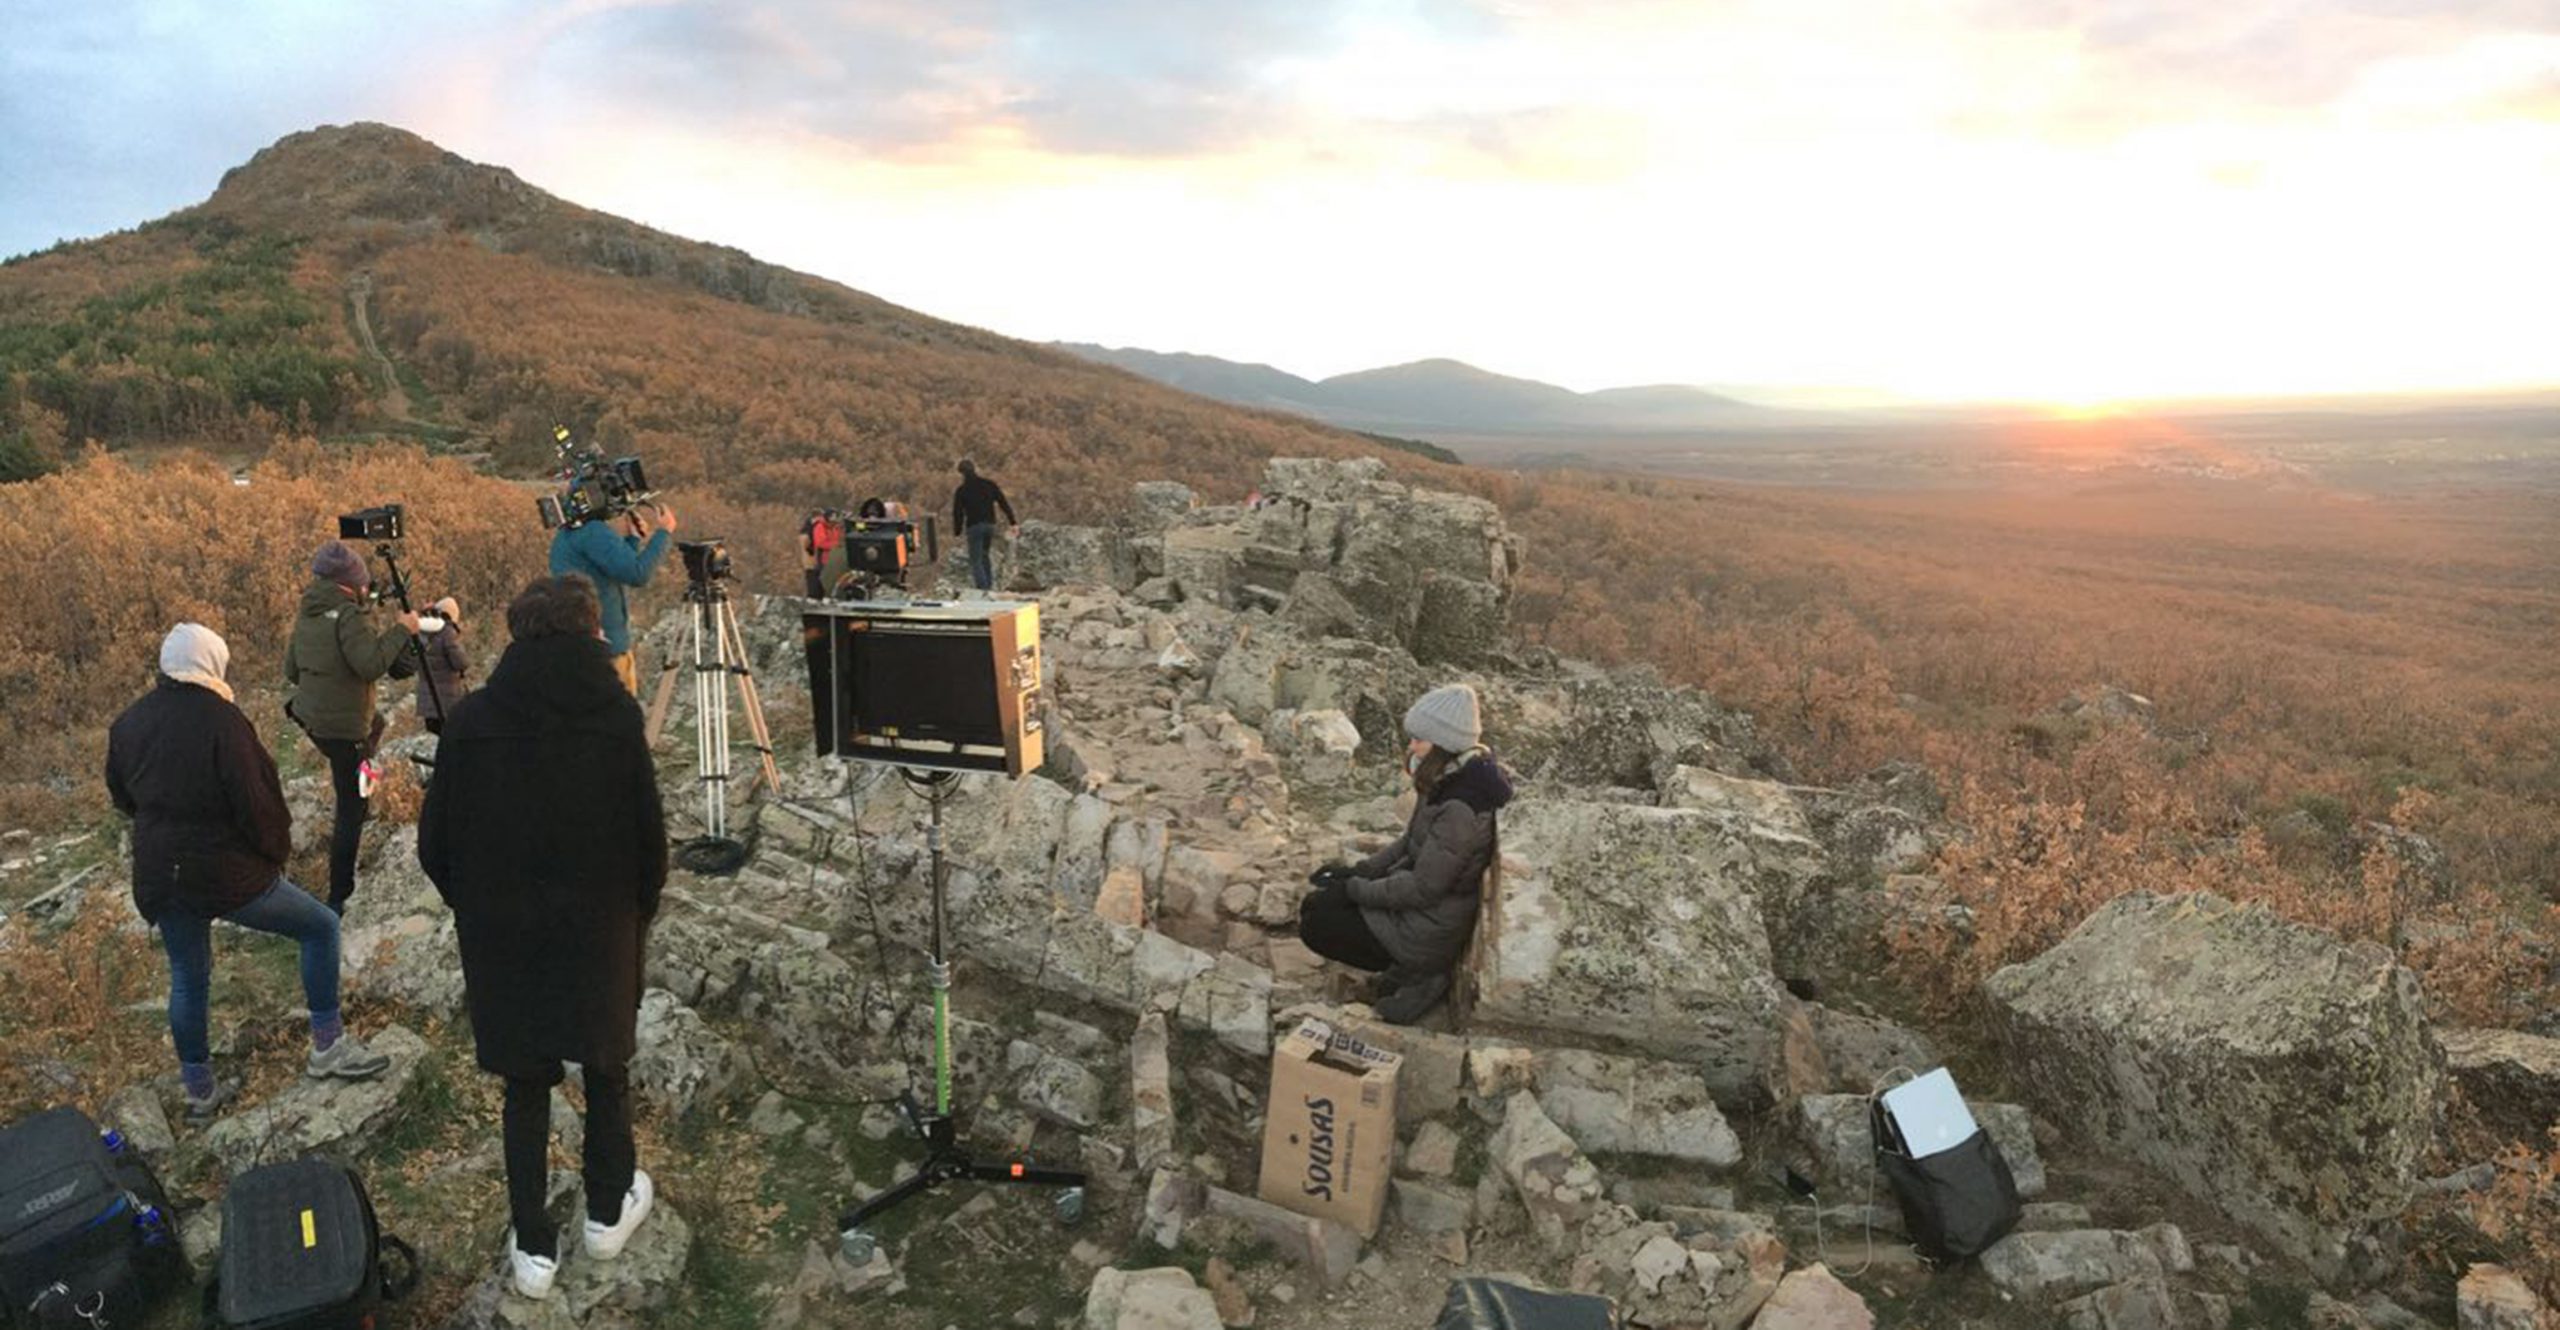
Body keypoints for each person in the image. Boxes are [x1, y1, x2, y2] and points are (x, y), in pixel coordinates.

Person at [418, 576, 667, 1300]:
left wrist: (475, 908)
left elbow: (436, 845)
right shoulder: (617, 719)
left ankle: (532, 1246)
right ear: (591, 633)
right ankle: (607, 1210)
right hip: (599, 929)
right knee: (606, 1068)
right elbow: (650, 846)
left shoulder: (471, 723)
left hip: (503, 936)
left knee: (525, 1086)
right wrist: (633, 916)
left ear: (517, 636)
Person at [108, 624, 393, 1124]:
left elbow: (122, 797)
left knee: (187, 978)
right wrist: (273, 856)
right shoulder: (223, 722)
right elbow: (258, 803)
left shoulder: (129, 722)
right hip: (224, 872)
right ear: (212, 663)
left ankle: (200, 1095)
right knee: (321, 926)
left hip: (158, 872)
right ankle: (328, 1047)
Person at [1298, 683, 1514, 1025]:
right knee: (1315, 904)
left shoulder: (1462, 806)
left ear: (1444, 743)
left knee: (1319, 924)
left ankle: (1420, 976)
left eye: (1419, 740)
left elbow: (1423, 888)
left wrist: (1354, 890)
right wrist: (1359, 871)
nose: (1411, 746)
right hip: (1419, 910)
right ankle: (1401, 970)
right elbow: (1409, 842)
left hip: (1428, 929)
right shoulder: (1448, 777)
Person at [284, 539, 420, 915]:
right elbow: (371, 665)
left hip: (313, 719)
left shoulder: (309, 612)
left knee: (376, 724)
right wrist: (402, 630)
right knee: (351, 808)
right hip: (343, 729)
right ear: (351, 584)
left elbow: (290, 670)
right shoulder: (348, 616)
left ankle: (366, 777)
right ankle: (339, 897)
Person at [548, 500, 676, 695]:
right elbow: (637, 574)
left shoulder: (567, 535)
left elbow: (613, 571)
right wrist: (664, 532)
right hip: (607, 654)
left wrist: (632, 541)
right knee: (618, 721)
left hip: (581, 649)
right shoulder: (593, 532)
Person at [951, 459, 1018, 592]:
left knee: (975, 560)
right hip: (990, 524)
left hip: (974, 526)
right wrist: (1013, 521)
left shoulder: (962, 490)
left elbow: (957, 513)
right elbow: (1003, 502)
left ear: (961, 473)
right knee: (985, 555)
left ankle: (983, 589)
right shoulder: (989, 485)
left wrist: (957, 531)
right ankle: (989, 587)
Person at [417, 596, 470, 736]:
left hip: (428, 701)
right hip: (447, 701)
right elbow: (461, 662)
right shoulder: (447, 633)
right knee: (453, 736)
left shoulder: (423, 631)